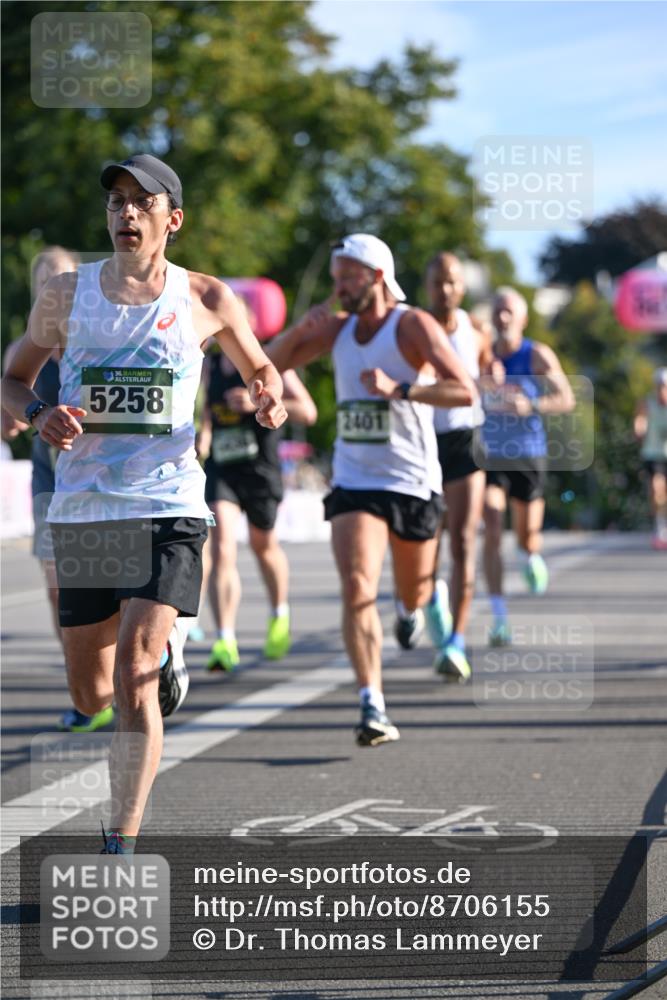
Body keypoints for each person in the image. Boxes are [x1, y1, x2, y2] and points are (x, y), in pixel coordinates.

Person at [2, 154, 286, 853]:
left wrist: (269, 392)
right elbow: (11, 378)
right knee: (90, 695)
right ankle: (161, 664)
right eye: (115, 203)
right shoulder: (67, 296)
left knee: (134, 671)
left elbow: (260, 366)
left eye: (141, 202)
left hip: (168, 503)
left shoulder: (208, 298)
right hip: (86, 511)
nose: (125, 214)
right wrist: (39, 413)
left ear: (172, 220)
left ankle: (120, 837)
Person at [268, 234, 476, 747]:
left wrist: (402, 389)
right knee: (358, 585)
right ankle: (372, 703)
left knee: (411, 592)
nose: (339, 286)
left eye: (348, 276)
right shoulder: (337, 330)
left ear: (377, 276)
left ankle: (424, 601)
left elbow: (462, 389)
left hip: (411, 480)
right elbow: (267, 366)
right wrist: (301, 329)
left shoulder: (413, 325)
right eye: (336, 276)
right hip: (356, 479)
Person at [2, 247, 114, 733]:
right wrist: (16, 421)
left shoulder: (99, 335)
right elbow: (8, 407)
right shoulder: (23, 348)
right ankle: (86, 688)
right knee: (57, 589)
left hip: (107, 481)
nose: (52, 289)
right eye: (43, 281)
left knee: (120, 586)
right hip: (52, 481)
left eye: (60, 280)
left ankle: (124, 674)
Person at [197, 324, 317, 671]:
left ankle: (279, 614)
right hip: (223, 468)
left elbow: (307, 411)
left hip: (260, 470)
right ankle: (225, 639)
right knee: (220, 549)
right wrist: (203, 435)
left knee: (263, 545)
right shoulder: (210, 366)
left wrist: (254, 404)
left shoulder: (270, 361)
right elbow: (206, 407)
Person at [481, 286, 575, 645]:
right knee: (490, 525)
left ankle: (528, 552)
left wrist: (531, 406)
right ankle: (499, 615)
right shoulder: (481, 354)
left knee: (527, 534)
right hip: (489, 454)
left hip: (527, 454)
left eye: (508, 311)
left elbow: (565, 398)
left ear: (522, 318)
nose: (501, 317)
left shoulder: (535, 354)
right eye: (497, 310)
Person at [422, 252, 492, 682]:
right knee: (428, 541)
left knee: (465, 542)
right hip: (425, 444)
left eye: (452, 282)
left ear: (462, 287)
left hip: (467, 440)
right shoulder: (412, 326)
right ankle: (431, 600)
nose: (445, 289)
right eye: (437, 282)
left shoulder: (475, 329)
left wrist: (494, 373)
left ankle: (457, 642)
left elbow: (485, 370)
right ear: (427, 286)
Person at [634, 367, 667, 550]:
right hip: (653, 453)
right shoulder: (647, 402)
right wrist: (639, 429)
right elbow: (640, 420)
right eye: (660, 386)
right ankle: (660, 528)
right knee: (656, 489)